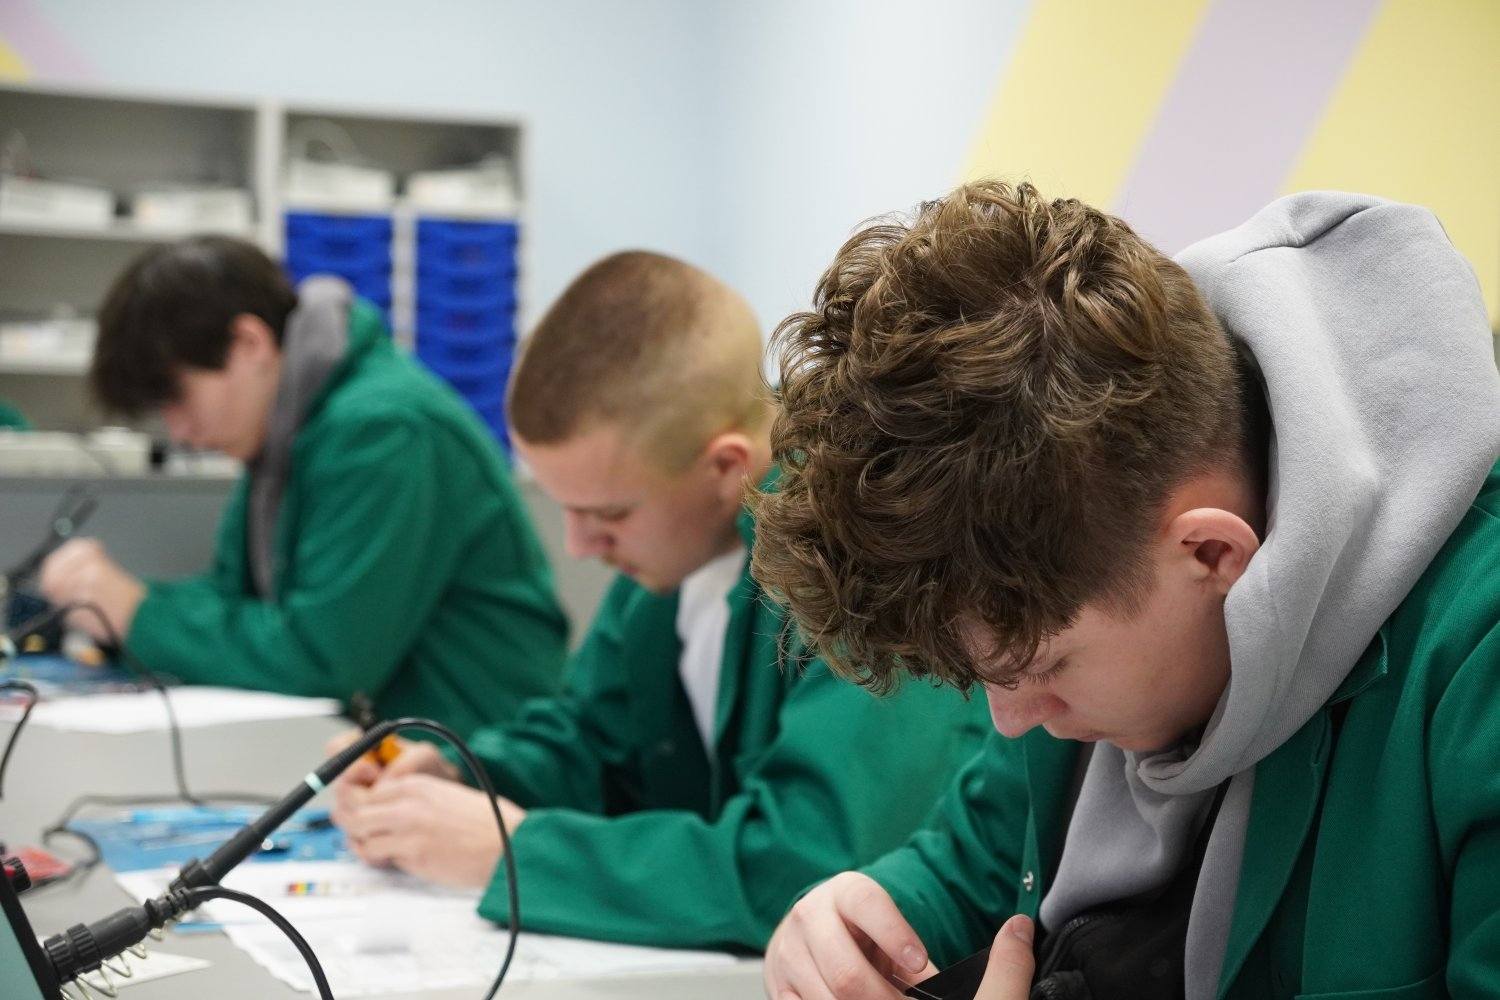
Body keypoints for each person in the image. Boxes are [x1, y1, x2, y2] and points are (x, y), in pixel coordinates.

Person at [750, 183, 1500, 998]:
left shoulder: (1476, 658)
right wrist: (852, 926)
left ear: (1212, 554)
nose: (1011, 720)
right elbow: (967, 871)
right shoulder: (1068, 608)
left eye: (1044, 667)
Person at [330, 251, 990, 950]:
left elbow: (811, 864)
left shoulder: (866, 562)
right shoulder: (674, 555)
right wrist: (461, 774)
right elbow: (595, 741)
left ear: (725, 467)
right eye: (566, 508)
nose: (579, 546)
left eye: (608, 514)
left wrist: (518, 855)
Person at [40, 236, 568, 735]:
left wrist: (137, 614)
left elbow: (324, 660)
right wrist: (115, 601)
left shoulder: (381, 430)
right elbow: (235, 597)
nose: (179, 432)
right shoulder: (289, 431)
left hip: (471, 752)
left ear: (249, 343)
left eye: (177, 398)